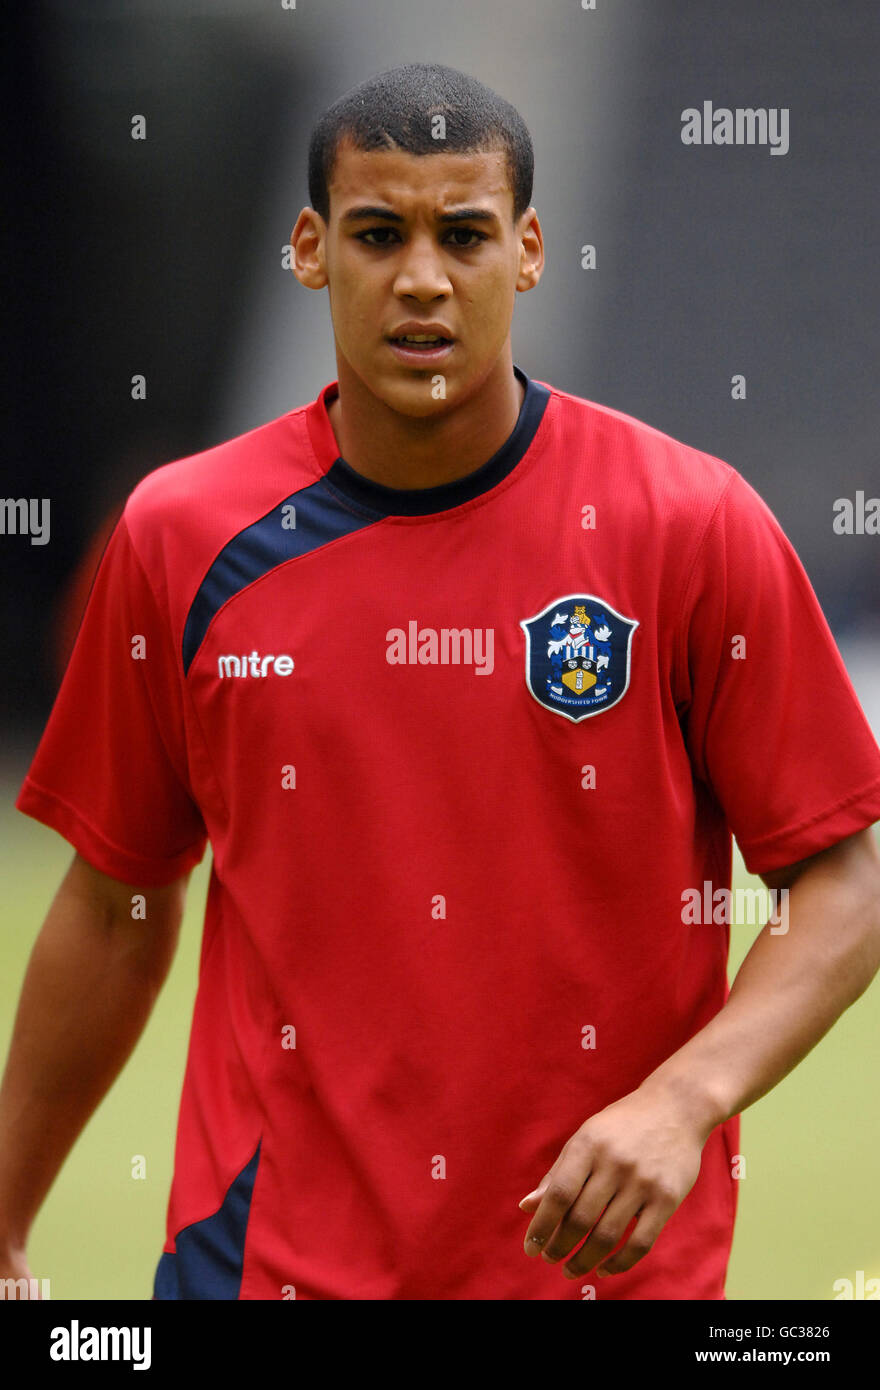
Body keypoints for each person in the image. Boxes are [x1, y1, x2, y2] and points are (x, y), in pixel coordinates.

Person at [3, 61, 880, 1302]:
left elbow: (842, 877)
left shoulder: (689, 524)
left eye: (463, 233)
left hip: (598, 1283)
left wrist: (685, 1099)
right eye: (378, 232)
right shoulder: (179, 538)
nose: (422, 276)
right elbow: (111, 909)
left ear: (525, 252)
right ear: (310, 250)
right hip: (259, 1272)